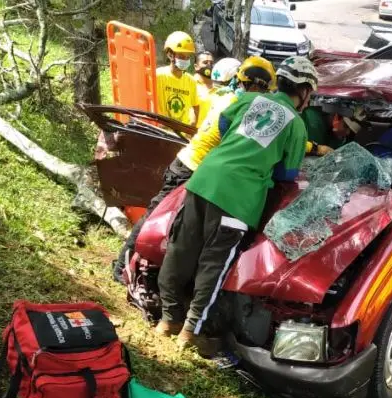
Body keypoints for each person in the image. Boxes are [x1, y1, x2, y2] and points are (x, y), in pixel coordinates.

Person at [154, 56, 319, 356]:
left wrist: (240, 146)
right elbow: (287, 174)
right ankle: (191, 332)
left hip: (203, 180)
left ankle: (168, 320)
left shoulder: (251, 100)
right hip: (238, 198)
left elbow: (223, 123)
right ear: (305, 90)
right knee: (214, 264)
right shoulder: (296, 125)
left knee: (182, 249)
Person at [111, 56, 277, 282]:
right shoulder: (243, 106)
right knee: (155, 219)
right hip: (192, 168)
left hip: (189, 164)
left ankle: (140, 268)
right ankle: (121, 267)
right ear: (259, 85)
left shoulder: (227, 97)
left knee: (166, 221)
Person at [156, 31, 200, 125]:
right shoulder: (158, 76)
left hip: (181, 132)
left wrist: (192, 124)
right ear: (170, 54)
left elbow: (195, 106)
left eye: (187, 57)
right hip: (160, 131)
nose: (185, 60)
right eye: (181, 56)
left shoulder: (191, 81)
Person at [193, 51, 215, 127]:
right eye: (205, 63)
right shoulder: (190, 84)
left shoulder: (218, 89)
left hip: (211, 133)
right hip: (193, 131)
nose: (209, 65)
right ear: (196, 66)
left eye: (211, 63)